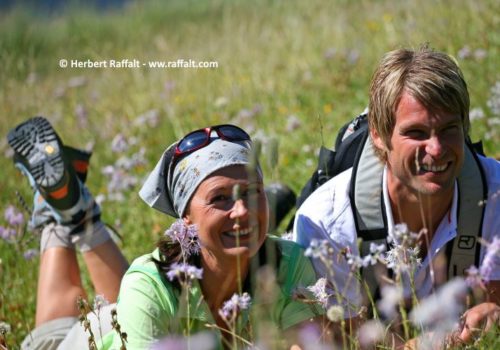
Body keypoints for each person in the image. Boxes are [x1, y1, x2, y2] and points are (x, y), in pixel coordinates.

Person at [10, 117, 324, 349]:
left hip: (127, 318)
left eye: (253, 193)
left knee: (138, 292)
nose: (242, 211)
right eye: (220, 198)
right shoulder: (148, 285)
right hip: (84, 341)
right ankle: (67, 217)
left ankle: (72, 212)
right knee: (51, 334)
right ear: (184, 218)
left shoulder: (290, 260)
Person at [293, 46, 500, 345]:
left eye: (449, 129)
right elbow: (349, 342)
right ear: (378, 134)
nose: (436, 148)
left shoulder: (493, 195)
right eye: (416, 133)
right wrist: (444, 340)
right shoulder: (326, 223)